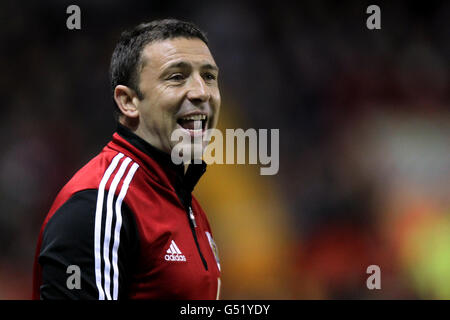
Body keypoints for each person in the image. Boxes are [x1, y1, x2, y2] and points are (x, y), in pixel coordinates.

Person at [32, 18, 222, 300]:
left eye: (208, 76)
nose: (201, 92)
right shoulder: (100, 203)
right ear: (128, 101)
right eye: (176, 76)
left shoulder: (185, 201)